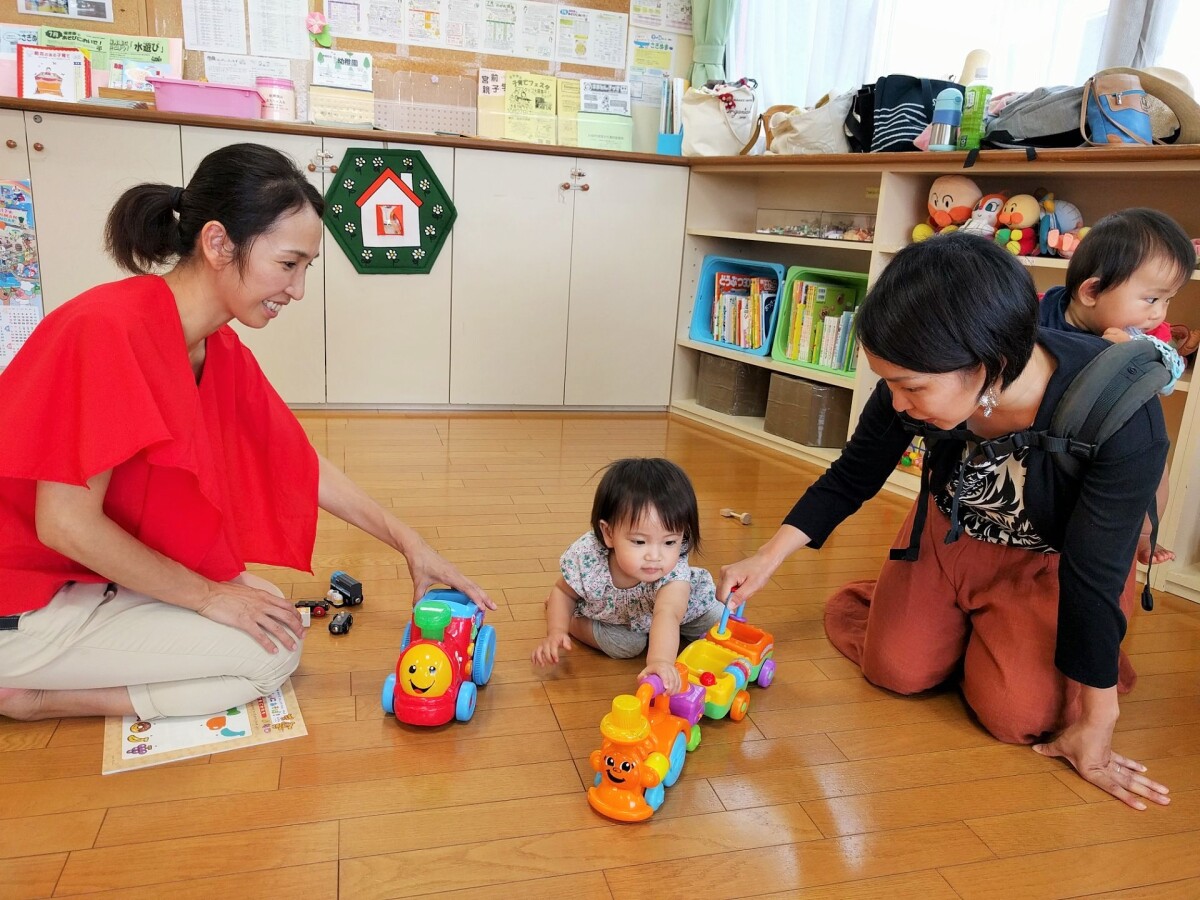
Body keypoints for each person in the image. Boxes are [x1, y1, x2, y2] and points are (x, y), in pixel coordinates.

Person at [0, 143, 492, 724]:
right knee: (269, 656)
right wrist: (207, 597)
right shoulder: (107, 331)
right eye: (288, 264)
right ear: (217, 243)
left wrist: (412, 545)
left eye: (306, 267)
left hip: (85, 578)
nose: (298, 289)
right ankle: (28, 697)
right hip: (26, 594)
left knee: (271, 613)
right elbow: (64, 522)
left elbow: (298, 465)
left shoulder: (215, 347)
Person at [718, 233, 1171, 811]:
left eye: (910, 387)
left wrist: (1097, 719)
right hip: (951, 534)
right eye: (889, 382)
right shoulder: (916, 375)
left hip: (1052, 564)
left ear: (991, 367)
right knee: (895, 670)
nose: (896, 401)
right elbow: (854, 474)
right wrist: (766, 556)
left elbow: (1094, 574)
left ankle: (1002, 645)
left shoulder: (1120, 412)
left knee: (1019, 717)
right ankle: (952, 624)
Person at [1040, 207, 1198, 565]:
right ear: (1092, 290)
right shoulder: (1043, 312)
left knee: (1154, 468)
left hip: (1114, 432)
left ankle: (1144, 537)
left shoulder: (1145, 336)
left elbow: (1171, 373)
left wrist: (1135, 355)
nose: (1160, 313)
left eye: (1168, 299)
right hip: (1051, 427)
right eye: (1152, 298)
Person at [531, 457, 729, 694]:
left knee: (720, 624)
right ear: (609, 533)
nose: (655, 556)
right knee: (626, 647)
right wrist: (557, 631)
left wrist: (660, 660)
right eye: (639, 541)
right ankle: (574, 621)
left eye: (669, 541)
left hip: (676, 611)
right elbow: (563, 591)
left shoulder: (674, 570)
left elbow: (668, 613)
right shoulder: (588, 557)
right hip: (617, 618)